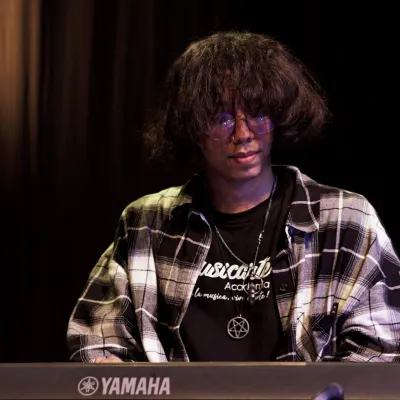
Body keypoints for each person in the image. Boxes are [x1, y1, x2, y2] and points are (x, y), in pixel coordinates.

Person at [67, 31, 400, 363]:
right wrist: (106, 367)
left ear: (279, 114)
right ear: (193, 126)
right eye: (221, 118)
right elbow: (98, 339)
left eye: (257, 114)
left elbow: (381, 351)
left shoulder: (344, 219)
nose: (243, 135)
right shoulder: (146, 224)